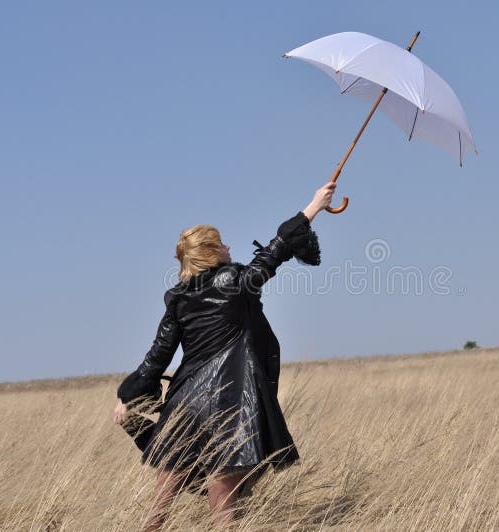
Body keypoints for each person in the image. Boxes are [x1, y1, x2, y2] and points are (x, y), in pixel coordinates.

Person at [113, 182, 336, 530]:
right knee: (223, 507)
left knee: (160, 506)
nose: (230, 247)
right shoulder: (235, 281)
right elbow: (274, 253)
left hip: (184, 404)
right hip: (228, 404)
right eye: (223, 244)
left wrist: (128, 397)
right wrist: (313, 207)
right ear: (212, 252)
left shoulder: (178, 297)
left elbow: (157, 357)